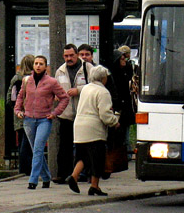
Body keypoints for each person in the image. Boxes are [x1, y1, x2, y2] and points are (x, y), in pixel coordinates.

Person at [15, 56, 69, 189]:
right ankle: (45, 177)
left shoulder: (52, 82)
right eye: (36, 63)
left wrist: (55, 113)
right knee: (36, 150)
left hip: (44, 119)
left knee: (39, 147)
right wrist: (17, 110)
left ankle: (33, 180)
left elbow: (64, 98)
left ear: (45, 66)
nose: (38, 66)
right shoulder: (27, 80)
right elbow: (20, 96)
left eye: (41, 64)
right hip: (28, 119)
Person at [66, 65, 120, 196]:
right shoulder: (103, 92)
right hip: (94, 128)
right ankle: (94, 186)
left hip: (79, 126)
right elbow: (105, 114)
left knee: (83, 155)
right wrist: (115, 121)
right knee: (97, 158)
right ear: (103, 78)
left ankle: (73, 176)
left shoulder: (85, 89)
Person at [53, 44, 93, 183]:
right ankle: (63, 174)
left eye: (71, 55)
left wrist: (79, 90)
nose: (69, 58)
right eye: (66, 56)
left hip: (84, 113)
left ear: (77, 55)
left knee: (84, 146)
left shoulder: (88, 68)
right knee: (64, 146)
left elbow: (95, 86)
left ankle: (84, 174)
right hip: (66, 113)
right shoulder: (60, 71)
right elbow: (56, 88)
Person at [9, 55, 35, 174]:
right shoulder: (34, 79)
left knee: (22, 141)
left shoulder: (16, 79)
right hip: (32, 114)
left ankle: (23, 168)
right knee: (29, 142)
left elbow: (10, 98)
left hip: (19, 114)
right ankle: (27, 168)